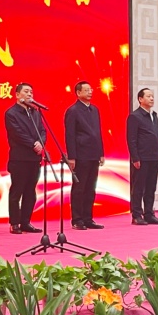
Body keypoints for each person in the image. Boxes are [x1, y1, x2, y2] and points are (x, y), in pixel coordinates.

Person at [5, 83, 45, 234]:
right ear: (17, 95)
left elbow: (42, 131)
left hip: (34, 158)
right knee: (17, 191)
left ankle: (26, 222)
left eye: (31, 92)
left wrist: (41, 143)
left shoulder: (35, 112)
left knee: (30, 191)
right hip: (19, 158)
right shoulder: (11, 113)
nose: (29, 94)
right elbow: (17, 133)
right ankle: (15, 223)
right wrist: (33, 144)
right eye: (26, 91)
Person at [64, 81, 105, 230]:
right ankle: (77, 219)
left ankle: (88, 218)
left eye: (91, 89)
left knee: (90, 188)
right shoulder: (73, 111)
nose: (90, 92)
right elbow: (70, 135)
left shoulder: (94, 110)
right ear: (78, 93)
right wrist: (71, 157)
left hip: (94, 154)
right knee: (79, 188)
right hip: (80, 155)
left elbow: (98, 133)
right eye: (86, 90)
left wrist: (101, 153)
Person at [126, 88, 158, 225]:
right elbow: (131, 139)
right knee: (138, 188)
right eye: (148, 96)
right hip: (141, 158)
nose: (152, 98)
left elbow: (157, 136)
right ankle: (136, 215)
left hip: (154, 156)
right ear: (140, 99)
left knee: (151, 187)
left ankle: (149, 214)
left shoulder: (154, 115)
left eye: (152, 96)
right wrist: (135, 158)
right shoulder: (135, 116)